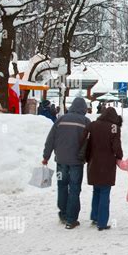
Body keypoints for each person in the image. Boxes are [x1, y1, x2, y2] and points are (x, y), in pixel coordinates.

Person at [42, 97, 91, 229]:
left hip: (61, 161)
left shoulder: (60, 120)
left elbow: (50, 139)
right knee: (74, 189)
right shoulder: (86, 122)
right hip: (77, 162)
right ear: (84, 109)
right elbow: (90, 143)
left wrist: (46, 156)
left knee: (62, 186)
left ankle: (63, 214)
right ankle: (71, 219)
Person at [83, 107, 123, 231]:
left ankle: (95, 217)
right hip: (107, 164)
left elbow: (85, 142)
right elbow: (116, 146)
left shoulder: (92, 125)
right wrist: (119, 156)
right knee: (105, 192)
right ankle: (102, 222)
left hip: (94, 163)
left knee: (96, 191)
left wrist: (87, 157)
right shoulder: (114, 128)